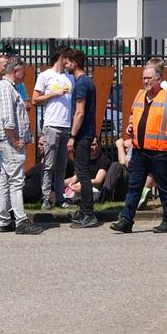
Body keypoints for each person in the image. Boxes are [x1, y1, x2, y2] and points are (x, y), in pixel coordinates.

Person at [110, 63, 167, 234]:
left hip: (160, 151)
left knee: (164, 187)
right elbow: (133, 116)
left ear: (158, 79)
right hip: (140, 150)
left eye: (149, 78)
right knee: (134, 186)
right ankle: (126, 220)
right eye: (144, 78)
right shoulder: (140, 95)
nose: (145, 81)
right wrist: (130, 127)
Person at [0, 57, 42, 235]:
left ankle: (4, 220)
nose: (25, 74)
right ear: (14, 72)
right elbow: (7, 118)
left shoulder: (9, 88)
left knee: (5, 180)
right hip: (9, 141)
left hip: (6, 140)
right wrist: (14, 139)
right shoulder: (6, 88)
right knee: (16, 181)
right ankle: (20, 221)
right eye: (23, 71)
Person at [32, 47, 75, 210]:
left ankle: (60, 197)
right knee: (49, 164)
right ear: (61, 57)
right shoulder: (45, 75)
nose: (69, 62)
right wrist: (54, 94)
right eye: (67, 59)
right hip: (51, 124)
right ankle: (45, 197)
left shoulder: (70, 77)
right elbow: (35, 99)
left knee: (62, 164)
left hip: (66, 125)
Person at [68, 49, 101, 228]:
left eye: (67, 62)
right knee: (83, 172)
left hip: (82, 135)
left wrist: (72, 136)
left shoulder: (81, 83)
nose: (65, 64)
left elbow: (79, 112)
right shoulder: (87, 82)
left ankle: (88, 213)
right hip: (87, 134)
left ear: (75, 63)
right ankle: (83, 211)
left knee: (82, 174)